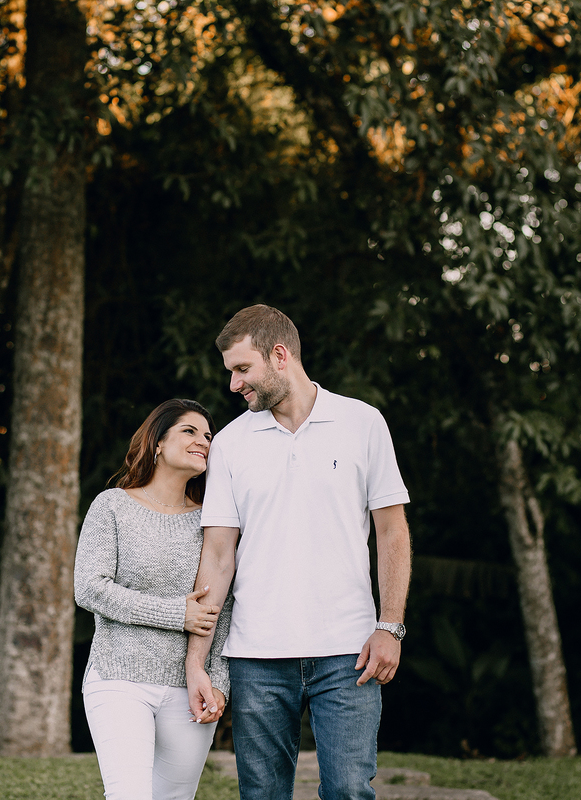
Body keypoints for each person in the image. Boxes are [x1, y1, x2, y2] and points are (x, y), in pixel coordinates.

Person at [185, 305, 411, 800]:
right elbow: (219, 556)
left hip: (348, 652)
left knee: (350, 791)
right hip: (257, 656)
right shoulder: (228, 444)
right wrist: (196, 660)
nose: (233, 385)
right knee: (262, 795)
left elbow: (392, 532)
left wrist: (390, 625)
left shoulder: (362, 422)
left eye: (242, 369)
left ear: (280, 355)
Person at [74, 399, 232, 800]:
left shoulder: (212, 520)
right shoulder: (112, 505)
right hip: (118, 677)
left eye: (209, 436)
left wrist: (220, 684)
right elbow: (89, 587)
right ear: (158, 443)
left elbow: (223, 608)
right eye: (190, 431)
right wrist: (175, 613)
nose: (203, 441)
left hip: (189, 688)